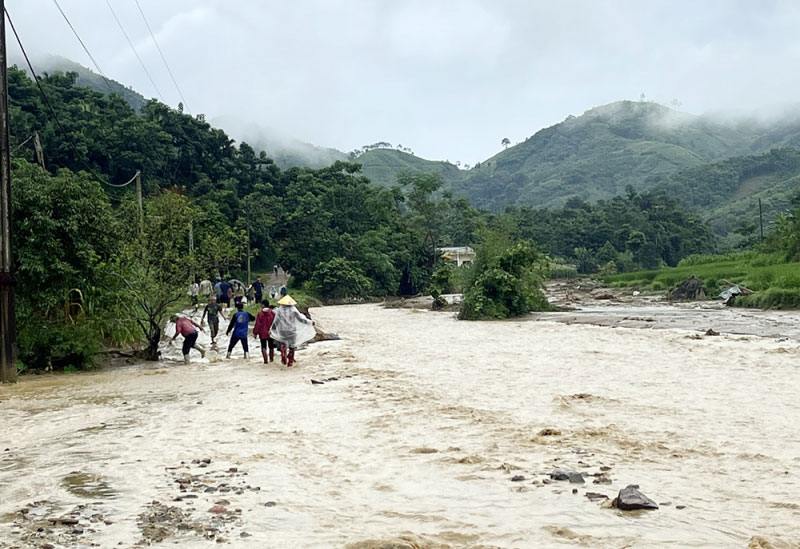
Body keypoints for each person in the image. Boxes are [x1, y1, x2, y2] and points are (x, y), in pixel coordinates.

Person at [270, 295, 315, 367]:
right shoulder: (293, 310)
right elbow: (301, 320)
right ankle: (290, 361)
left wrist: (272, 329)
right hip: (291, 330)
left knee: (283, 344)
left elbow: (276, 321)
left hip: (282, 331)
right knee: (292, 346)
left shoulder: (279, 311)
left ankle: (283, 355)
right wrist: (310, 322)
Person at [253, 299, 276, 363]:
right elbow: (275, 323)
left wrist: (255, 333)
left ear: (263, 305)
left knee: (263, 346)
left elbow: (257, 324)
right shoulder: (272, 313)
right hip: (270, 332)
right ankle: (271, 359)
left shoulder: (260, 314)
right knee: (271, 346)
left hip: (262, 333)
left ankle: (265, 361)